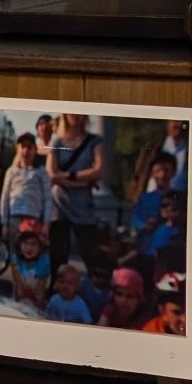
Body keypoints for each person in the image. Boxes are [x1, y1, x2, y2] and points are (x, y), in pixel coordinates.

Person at [47, 113, 107, 268]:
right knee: (58, 257)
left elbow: (99, 171)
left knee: (91, 255)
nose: (76, 115)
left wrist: (68, 176)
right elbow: (52, 174)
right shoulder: (56, 141)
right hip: (59, 204)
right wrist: (84, 181)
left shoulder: (95, 141)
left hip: (83, 206)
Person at [0, 132, 51, 230]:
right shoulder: (11, 172)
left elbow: (47, 198)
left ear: (35, 150)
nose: (26, 150)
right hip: (14, 216)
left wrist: (46, 223)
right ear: (17, 149)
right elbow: (5, 197)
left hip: (34, 217)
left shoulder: (41, 171)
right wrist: (4, 223)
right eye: (22, 147)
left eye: (29, 147)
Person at [129, 155, 177, 235]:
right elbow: (135, 220)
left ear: (174, 172)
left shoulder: (178, 197)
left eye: (166, 170)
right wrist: (145, 225)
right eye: (158, 171)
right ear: (151, 173)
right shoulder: (144, 198)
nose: (162, 175)